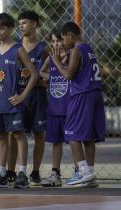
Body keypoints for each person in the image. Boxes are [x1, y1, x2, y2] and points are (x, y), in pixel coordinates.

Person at [0, 13, 38, 188]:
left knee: (19, 135)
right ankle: (1, 172)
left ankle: (21, 173)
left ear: (11, 29)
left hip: (13, 102)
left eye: (2, 28)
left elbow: (34, 74)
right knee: (0, 135)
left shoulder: (18, 49)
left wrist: (22, 96)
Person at [50, 22, 105, 186]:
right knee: (88, 137)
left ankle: (83, 171)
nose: (63, 43)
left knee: (71, 133)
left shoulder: (76, 50)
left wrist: (56, 61)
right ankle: (90, 174)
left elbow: (68, 75)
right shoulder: (89, 49)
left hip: (82, 94)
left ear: (69, 35)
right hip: (95, 93)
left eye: (63, 39)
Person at [17, 10, 48, 186]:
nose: (21, 26)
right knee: (17, 133)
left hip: (37, 94)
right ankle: (17, 171)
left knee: (39, 134)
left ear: (35, 24)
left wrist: (47, 80)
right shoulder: (15, 47)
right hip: (19, 93)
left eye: (25, 22)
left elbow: (54, 70)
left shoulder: (45, 48)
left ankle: (35, 171)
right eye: (19, 23)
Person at [39, 29, 70, 187]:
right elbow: (41, 71)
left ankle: (80, 170)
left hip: (70, 107)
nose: (57, 44)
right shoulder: (51, 59)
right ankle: (54, 173)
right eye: (54, 41)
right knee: (56, 142)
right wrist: (49, 77)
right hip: (55, 107)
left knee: (76, 141)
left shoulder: (72, 57)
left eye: (59, 40)